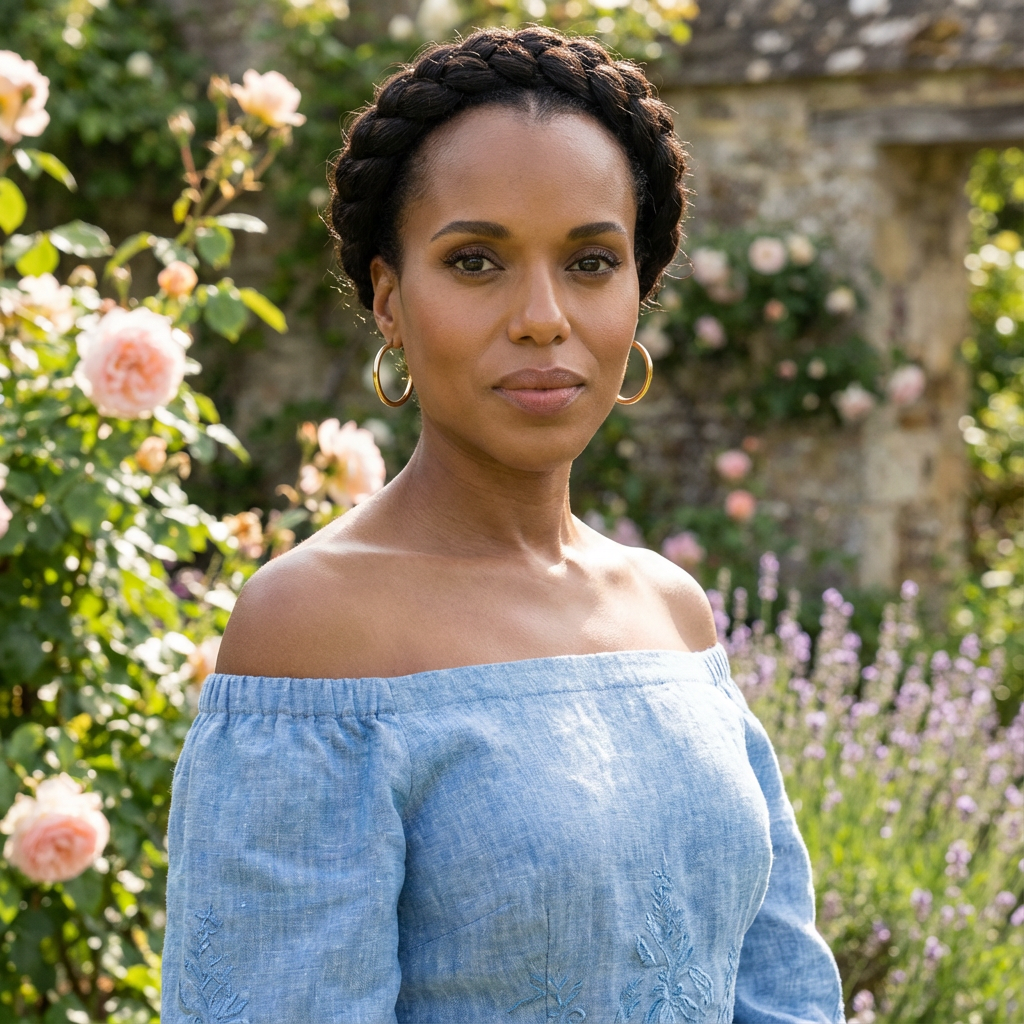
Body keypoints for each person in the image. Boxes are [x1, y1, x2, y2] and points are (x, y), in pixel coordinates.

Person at [162, 26, 844, 1023]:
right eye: (476, 260)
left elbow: (779, 989)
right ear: (390, 299)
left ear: (637, 296)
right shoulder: (314, 632)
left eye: (590, 261)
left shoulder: (668, 610)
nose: (540, 316)